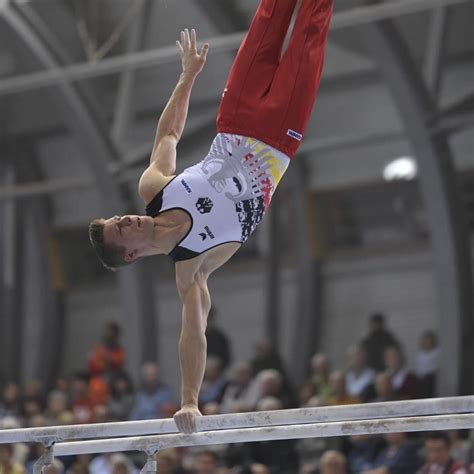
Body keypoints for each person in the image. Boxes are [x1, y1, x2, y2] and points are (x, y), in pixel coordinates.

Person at [89, 0, 333, 433]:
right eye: (122, 228)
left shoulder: (154, 189)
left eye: (120, 217)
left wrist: (187, 77)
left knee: (269, 17)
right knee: (310, 28)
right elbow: (193, 336)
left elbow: (168, 133)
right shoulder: (192, 268)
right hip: (279, 135)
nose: (128, 218)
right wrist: (188, 401)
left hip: (235, 116)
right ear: (129, 254)